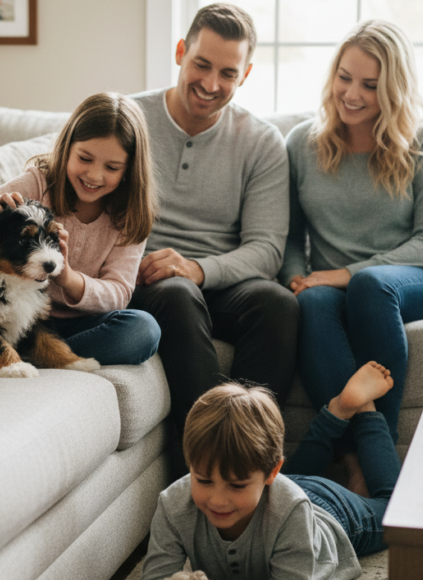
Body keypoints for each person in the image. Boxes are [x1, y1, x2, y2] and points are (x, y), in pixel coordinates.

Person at [279, 20, 423, 447]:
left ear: (394, 90)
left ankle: (381, 442)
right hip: (333, 289)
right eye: (344, 77)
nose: (351, 93)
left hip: (414, 284)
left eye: (370, 85)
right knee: (313, 302)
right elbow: (290, 238)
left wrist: (345, 273)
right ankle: (360, 457)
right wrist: (298, 279)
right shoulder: (302, 143)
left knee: (370, 285)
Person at [130, 3, 298, 441]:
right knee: (177, 293)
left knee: (277, 303)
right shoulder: (129, 119)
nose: (210, 84)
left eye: (227, 73)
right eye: (201, 64)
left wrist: (198, 269)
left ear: (245, 75)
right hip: (144, 280)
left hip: (215, 281)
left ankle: (250, 454)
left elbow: (266, 249)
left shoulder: (261, 141)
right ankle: (205, 456)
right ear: (180, 52)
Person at [0, 92, 161, 366]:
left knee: (143, 330)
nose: (94, 175)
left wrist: (67, 277)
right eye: (85, 158)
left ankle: (40, 353)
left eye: (112, 167)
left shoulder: (129, 215)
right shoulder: (37, 183)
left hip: (79, 324)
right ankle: (25, 350)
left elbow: (118, 294)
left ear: (129, 169)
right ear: (68, 148)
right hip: (18, 312)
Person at [141, 361, 400, 580]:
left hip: (327, 509)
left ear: (271, 473)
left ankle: (365, 413)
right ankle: (338, 412)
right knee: (275, 480)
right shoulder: (172, 504)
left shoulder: (292, 513)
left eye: (236, 485)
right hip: (272, 491)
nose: (217, 500)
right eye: (204, 481)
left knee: (396, 512)